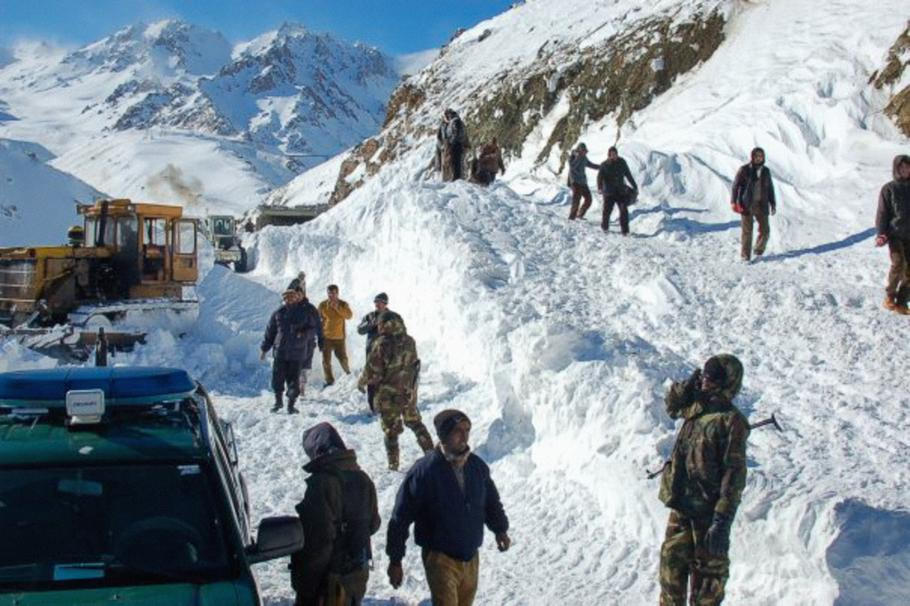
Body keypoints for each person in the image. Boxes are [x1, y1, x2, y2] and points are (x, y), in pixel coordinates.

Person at [386, 409, 511, 606]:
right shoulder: (424, 472)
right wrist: (395, 560)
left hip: (470, 556)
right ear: (444, 435)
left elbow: (490, 502)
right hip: (440, 557)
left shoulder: (476, 467)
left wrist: (500, 529)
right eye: (457, 431)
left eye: (467, 430)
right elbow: (400, 517)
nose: (464, 435)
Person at [657, 355, 750, 606]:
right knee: (670, 574)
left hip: (708, 515)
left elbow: (734, 473)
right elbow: (672, 405)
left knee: (707, 586)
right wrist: (686, 387)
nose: (706, 382)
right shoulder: (696, 407)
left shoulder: (731, 421)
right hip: (681, 507)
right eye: (705, 376)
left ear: (727, 382)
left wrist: (722, 518)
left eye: (713, 377)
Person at [290, 422, 381, 606]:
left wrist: (306, 587)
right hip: (357, 574)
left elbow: (319, 541)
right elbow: (374, 523)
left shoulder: (322, 483)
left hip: (328, 582)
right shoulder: (363, 478)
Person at [357, 311, 434, 470]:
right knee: (415, 423)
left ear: (385, 325)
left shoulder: (382, 343)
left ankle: (393, 465)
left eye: (380, 324)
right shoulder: (410, 341)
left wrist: (362, 382)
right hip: (408, 392)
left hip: (388, 395)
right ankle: (431, 454)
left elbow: (372, 370)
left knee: (391, 431)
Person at [260, 290, 323, 413]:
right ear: (284, 299)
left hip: (297, 352)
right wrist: (264, 349)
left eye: (292, 297)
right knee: (277, 378)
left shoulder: (304, 312)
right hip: (280, 351)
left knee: (293, 380)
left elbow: (313, 328)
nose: (290, 299)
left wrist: (304, 334)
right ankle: (278, 402)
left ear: (296, 298)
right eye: (287, 298)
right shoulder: (278, 313)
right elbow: (270, 332)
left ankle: (291, 405)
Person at [875, 154, 910, 314]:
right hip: (895, 234)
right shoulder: (889, 189)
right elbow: (883, 213)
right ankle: (890, 296)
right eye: (902, 167)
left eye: (908, 167)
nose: (905, 170)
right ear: (896, 169)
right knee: (899, 263)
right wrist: (881, 233)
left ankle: (902, 301)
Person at [731, 147, 777, 261]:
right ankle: (745, 256)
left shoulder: (766, 171)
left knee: (765, 231)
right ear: (752, 157)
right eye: (756, 156)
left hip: (762, 204)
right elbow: (735, 186)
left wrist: (773, 203)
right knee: (747, 232)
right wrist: (733, 202)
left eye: (761, 156)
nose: (758, 158)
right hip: (747, 204)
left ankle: (758, 250)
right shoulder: (744, 170)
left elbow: (770, 188)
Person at [356, 292, 390, 412]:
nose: (377, 304)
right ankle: (372, 407)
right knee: (372, 382)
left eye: (379, 302)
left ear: (385, 303)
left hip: (387, 354)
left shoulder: (392, 317)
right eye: (376, 302)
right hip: (372, 354)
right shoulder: (370, 316)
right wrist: (371, 324)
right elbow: (360, 329)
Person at [596, 146, 638, 235]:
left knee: (623, 210)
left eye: (615, 154)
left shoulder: (622, 163)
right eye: (612, 154)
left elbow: (628, 175)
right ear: (609, 155)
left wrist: (635, 186)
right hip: (609, 192)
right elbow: (599, 177)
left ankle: (625, 231)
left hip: (620, 191)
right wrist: (599, 187)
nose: (614, 156)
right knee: (607, 210)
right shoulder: (604, 165)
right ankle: (604, 227)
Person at [318, 284, 353, 387]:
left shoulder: (343, 304)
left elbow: (349, 316)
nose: (332, 295)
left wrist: (337, 308)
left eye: (334, 293)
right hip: (326, 338)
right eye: (329, 293)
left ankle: (349, 376)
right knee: (326, 361)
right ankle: (329, 381)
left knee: (343, 358)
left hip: (339, 338)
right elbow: (318, 319)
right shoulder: (323, 305)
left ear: (337, 293)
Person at [567, 142, 600, 220]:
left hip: (583, 181)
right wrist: (578, 157)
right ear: (579, 150)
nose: (584, 152)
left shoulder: (584, 157)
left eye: (585, 151)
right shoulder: (573, 156)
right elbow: (572, 167)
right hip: (574, 181)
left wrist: (601, 167)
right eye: (582, 150)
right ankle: (572, 217)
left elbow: (590, 164)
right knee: (576, 199)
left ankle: (580, 214)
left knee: (588, 199)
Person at [442, 109, 469, 181]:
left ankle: (457, 178)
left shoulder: (455, 121)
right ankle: (457, 177)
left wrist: (452, 142)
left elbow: (456, 133)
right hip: (458, 144)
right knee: (456, 162)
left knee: (456, 162)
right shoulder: (456, 121)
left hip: (456, 145)